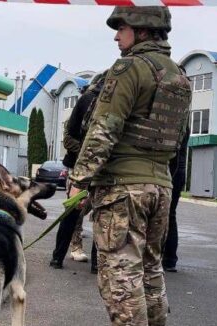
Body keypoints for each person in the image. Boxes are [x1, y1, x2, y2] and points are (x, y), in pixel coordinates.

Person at [67, 6, 192, 326]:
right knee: (150, 273)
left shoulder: (128, 68)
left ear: (142, 30)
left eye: (121, 27)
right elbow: (178, 140)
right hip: (160, 188)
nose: (116, 34)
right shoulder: (179, 76)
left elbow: (103, 129)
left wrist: (79, 179)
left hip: (124, 190)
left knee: (121, 282)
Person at [49, 71, 107, 273]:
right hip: (93, 167)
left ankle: (58, 258)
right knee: (97, 213)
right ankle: (94, 264)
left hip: (83, 166)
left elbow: (70, 134)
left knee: (74, 210)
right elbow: (69, 136)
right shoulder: (93, 100)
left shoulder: (88, 99)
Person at [162, 128, 189, 273]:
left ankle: (161, 257)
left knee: (160, 216)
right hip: (179, 173)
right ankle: (170, 260)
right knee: (170, 215)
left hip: (169, 172)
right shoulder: (184, 123)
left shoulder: (172, 123)